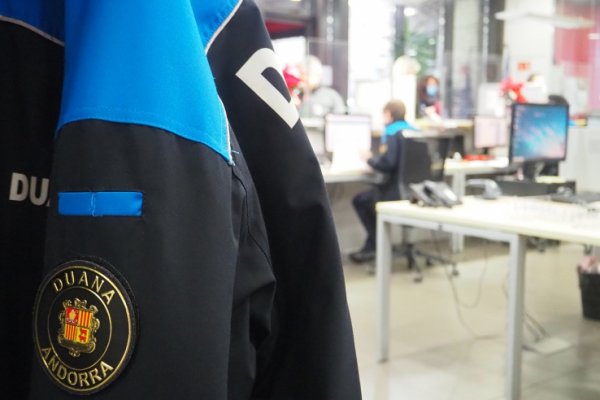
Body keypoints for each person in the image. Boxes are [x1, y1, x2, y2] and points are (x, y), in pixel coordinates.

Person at [350, 100, 416, 263]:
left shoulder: (391, 132)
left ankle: (376, 246)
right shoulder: (414, 130)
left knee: (360, 201)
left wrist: (369, 159)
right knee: (368, 199)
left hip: (395, 193)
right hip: (414, 193)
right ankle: (375, 245)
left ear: (388, 114)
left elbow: (388, 164)